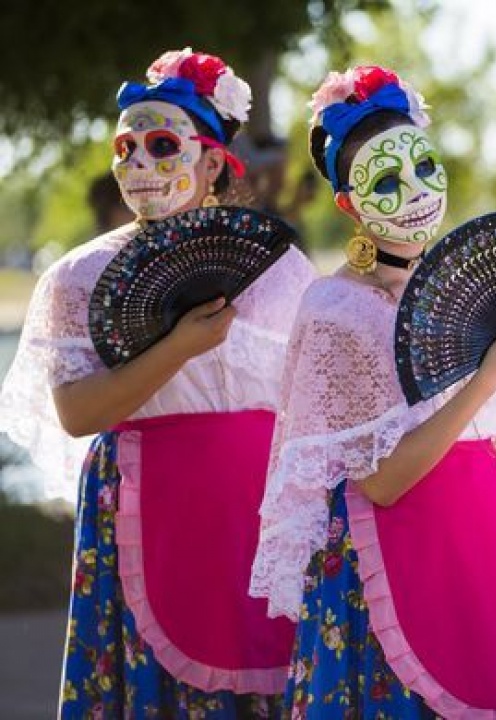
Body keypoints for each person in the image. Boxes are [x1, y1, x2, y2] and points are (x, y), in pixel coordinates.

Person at [249, 65, 496, 718]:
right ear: (349, 203)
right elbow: (382, 481)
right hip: (397, 551)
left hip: (495, 543)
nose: (415, 192)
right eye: (386, 181)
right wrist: (489, 374)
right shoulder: (334, 309)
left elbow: (494, 445)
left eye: (424, 169)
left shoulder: (468, 293)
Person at [0, 48, 316, 718]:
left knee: (280, 669)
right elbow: (77, 413)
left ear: (210, 163)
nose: (138, 163)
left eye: (163, 144)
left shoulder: (283, 269)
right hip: (150, 505)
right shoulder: (77, 278)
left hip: (265, 516)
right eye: (126, 147)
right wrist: (178, 348)